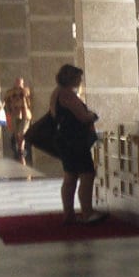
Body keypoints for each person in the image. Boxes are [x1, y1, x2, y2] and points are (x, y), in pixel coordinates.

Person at [49, 64, 105, 225]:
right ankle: (87, 212)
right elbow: (82, 117)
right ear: (71, 78)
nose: (80, 80)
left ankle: (69, 214)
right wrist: (92, 115)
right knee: (87, 174)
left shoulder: (57, 92)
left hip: (65, 139)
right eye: (79, 77)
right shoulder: (67, 94)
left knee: (71, 175)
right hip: (74, 140)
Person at [4, 78, 32, 164]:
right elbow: (6, 101)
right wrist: (8, 111)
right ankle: (20, 148)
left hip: (24, 114)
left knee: (22, 133)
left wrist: (22, 90)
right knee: (16, 133)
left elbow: (29, 99)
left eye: (20, 83)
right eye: (17, 82)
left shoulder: (26, 90)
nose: (19, 84)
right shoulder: (10, 92)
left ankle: (21, 150)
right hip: (14, 114)